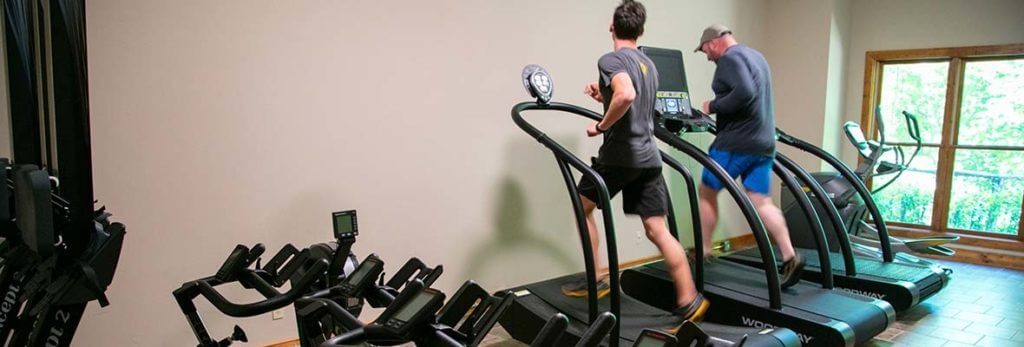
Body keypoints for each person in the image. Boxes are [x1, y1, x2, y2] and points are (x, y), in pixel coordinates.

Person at [561, 0, 708, 322]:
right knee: (657, 229)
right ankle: (689, 298)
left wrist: (601, 125)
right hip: (649, 157)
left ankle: (595, 278)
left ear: (612, 27)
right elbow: (632, 98)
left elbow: (626, 95)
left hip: (620, 156)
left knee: (581, 204)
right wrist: (602, 96)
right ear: (641, 31)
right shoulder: (648, 64)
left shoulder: (611, 59)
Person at [694, 24, 805, 288]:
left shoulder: (729, 59)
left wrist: (712, 106)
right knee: (761, 201)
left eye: (705, 50)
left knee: (707, 190)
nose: (707, 56)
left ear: (713, 42)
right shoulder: (757, 56)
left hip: (736, 143)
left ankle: (704, 250)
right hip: (764, 142)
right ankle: (790, 256)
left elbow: (744, 92)